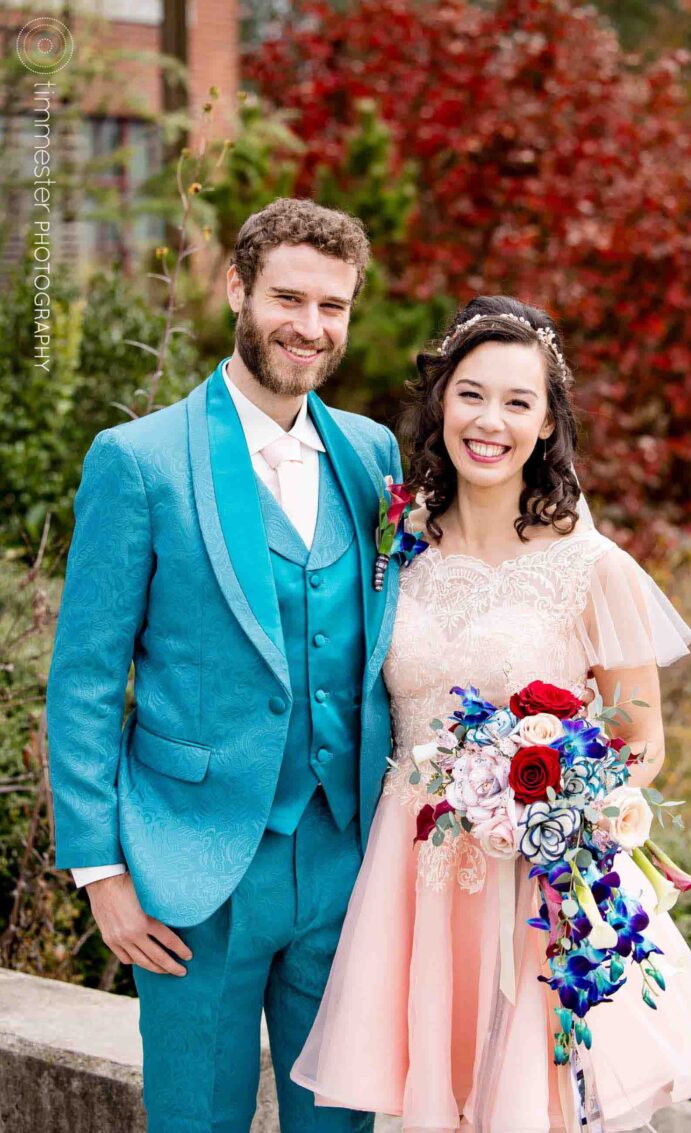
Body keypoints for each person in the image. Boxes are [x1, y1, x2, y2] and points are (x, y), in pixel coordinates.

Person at [291, 296, 691, 1131]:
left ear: (545, 425)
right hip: (413, 869)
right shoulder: (398, 544)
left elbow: (642, 741)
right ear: (440, 404)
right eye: (470, 393)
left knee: (535, 1102)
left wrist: (569, 796)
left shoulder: (589, 565)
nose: (488, 420)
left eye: (516, 401)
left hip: (537, 875)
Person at [47, 197, 395, 1131]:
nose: (311, 328)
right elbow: (83, 679)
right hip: (191, 870)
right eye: (289, 298)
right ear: (236, 288)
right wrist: (100, 873)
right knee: (198, 1116)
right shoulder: (139, 460)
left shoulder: (372, 454)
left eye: (334, 307)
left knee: (343, 1118)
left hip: (344, 861)